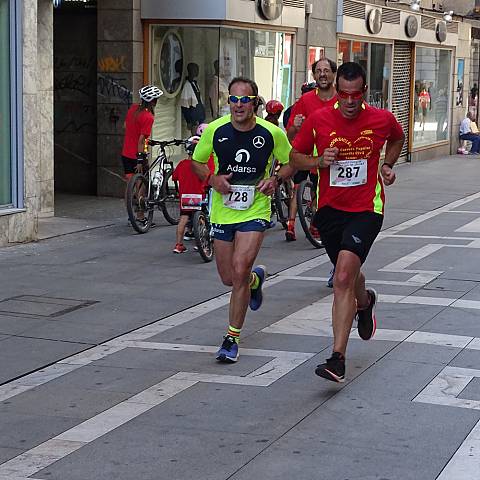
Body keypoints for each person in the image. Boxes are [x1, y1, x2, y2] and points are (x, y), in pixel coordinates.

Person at [290, 62, 405, 383]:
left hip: (367, 208)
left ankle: (337, 358)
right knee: (349, 270)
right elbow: (295, 157)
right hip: (328, 210)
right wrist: (317, 161)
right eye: (344, 95)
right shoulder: (319, 119)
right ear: (337, 92)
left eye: (356, 95)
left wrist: (388, 164)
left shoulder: (381, 119)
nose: (350, 101)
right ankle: (365, 302)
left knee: (342, 278)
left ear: (364, 92)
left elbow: (398, 138)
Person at [191, 76, 294, 363]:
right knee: (229, 277)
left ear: (255, 102)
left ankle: (231, 338)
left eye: (244, 99)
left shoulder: (271, 133)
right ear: (228, 102)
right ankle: (254, 280)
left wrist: (274, 179)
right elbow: (196, 162)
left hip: (255, 209)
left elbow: (291, 162)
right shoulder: (215, 130)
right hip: (223, 209)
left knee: (238, 268)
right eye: (233, 99)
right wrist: (212, 179)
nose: (238, 105)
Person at [285, 58, 337, 242]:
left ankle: (317, 222)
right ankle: (292, 224)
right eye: (318, 71)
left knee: (323, 195)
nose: (322, 74)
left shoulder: (342, 100)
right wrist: (295, 127)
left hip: (333, 160)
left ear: (333, 74)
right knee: (299, 188)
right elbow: (290, 134)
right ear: (314, 75)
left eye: (326, 70)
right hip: (307, 158)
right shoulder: (306, 101)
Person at [121, 85, 163, 221]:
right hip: (137, 155)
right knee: (143, 184)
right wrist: (140, 159)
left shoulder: (133, 108)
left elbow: (125, 126)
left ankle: (130, 215)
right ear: (153, 101)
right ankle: (140, 216)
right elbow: (140, 140)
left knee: (130, 184)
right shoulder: (148, 116)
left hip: (126, 153)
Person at [171, 136, 209, 253]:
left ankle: (178, 244)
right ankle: (202, 243)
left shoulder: (182, 164)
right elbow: (207, 178)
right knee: (202, 219)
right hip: (199, 196)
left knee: (183, 219)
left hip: (185, 197)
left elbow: (174, 177)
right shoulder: (200, 166)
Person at [181, 62, 206, 134]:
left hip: (199, 115)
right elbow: (184, 106)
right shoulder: (187, 86)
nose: (197, 71)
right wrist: (189, 121)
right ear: (191, 71)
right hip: (194, 118)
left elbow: (199, 99)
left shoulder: (195, 84)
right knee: (195, 136)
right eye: (195, 70)